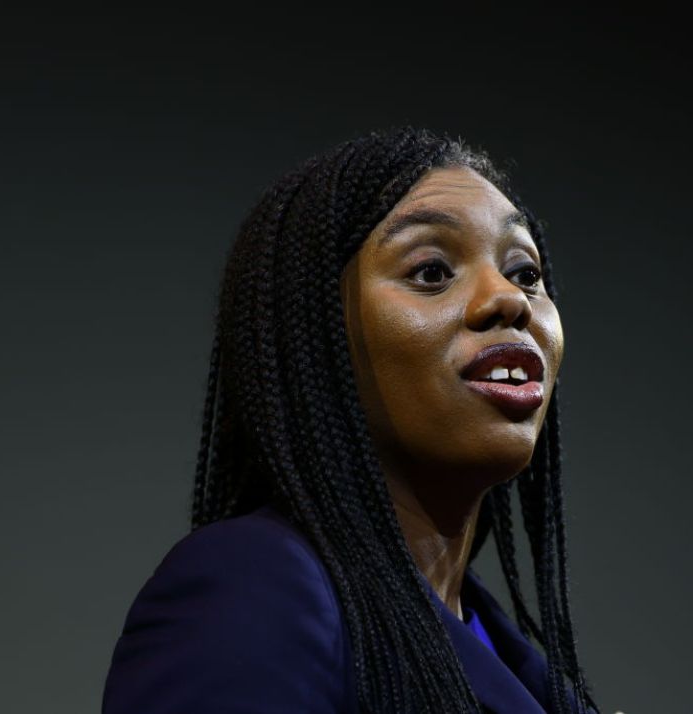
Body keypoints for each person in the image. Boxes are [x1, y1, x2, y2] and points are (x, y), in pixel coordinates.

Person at [102, 127, 601, 713]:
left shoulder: (513, 661)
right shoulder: (252, 587)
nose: (510, 299)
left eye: (525, 274)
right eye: (431, 271)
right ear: (316, 339)